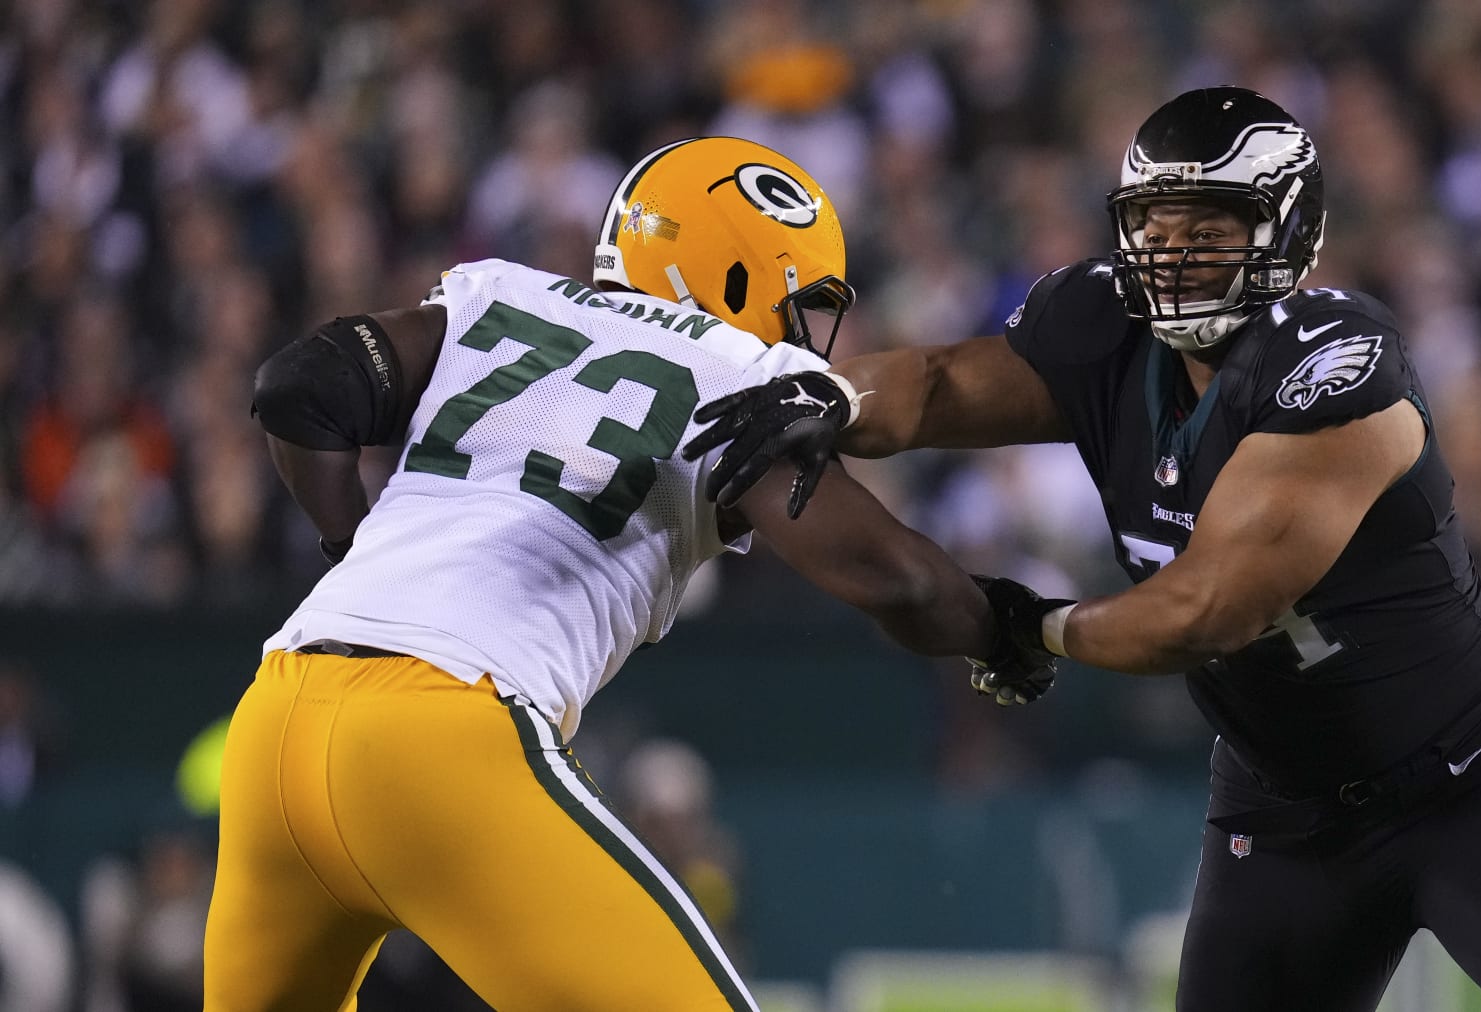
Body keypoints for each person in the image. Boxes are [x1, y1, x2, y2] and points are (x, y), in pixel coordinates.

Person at [684, 89, 1481, 1011]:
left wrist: (1035, 627)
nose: (1172, 255)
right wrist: (830, 396)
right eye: (1154, 229)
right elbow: (941, 384)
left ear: (1288, 233)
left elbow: (1204, 611)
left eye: (1209, 230)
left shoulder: (1337, 365)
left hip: (1466, 773)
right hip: (1281, 811)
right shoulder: (1105, 330)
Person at [209, 136, 1056, 1010]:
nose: (806, 329)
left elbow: (299, 386)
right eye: (800, 298)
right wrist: (1000, 627)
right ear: (738, 271)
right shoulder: (741, 374)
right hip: (444, 733)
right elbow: (899, 582)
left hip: (276, 721)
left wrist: (355, 551)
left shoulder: (501, 294)